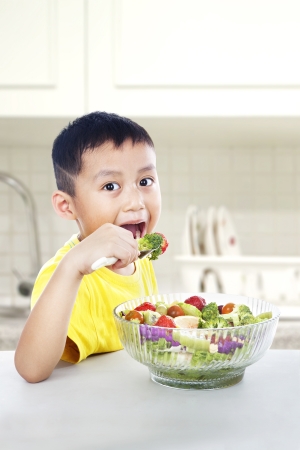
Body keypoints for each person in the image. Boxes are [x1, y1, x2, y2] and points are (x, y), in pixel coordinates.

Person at [14, 111, 161, 383]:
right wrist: (71, 267)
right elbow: (31, 369)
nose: (136, 202)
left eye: (145, 181)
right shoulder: (62, 276)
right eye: (110, 185)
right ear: (66, 206)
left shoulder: (141, 261)